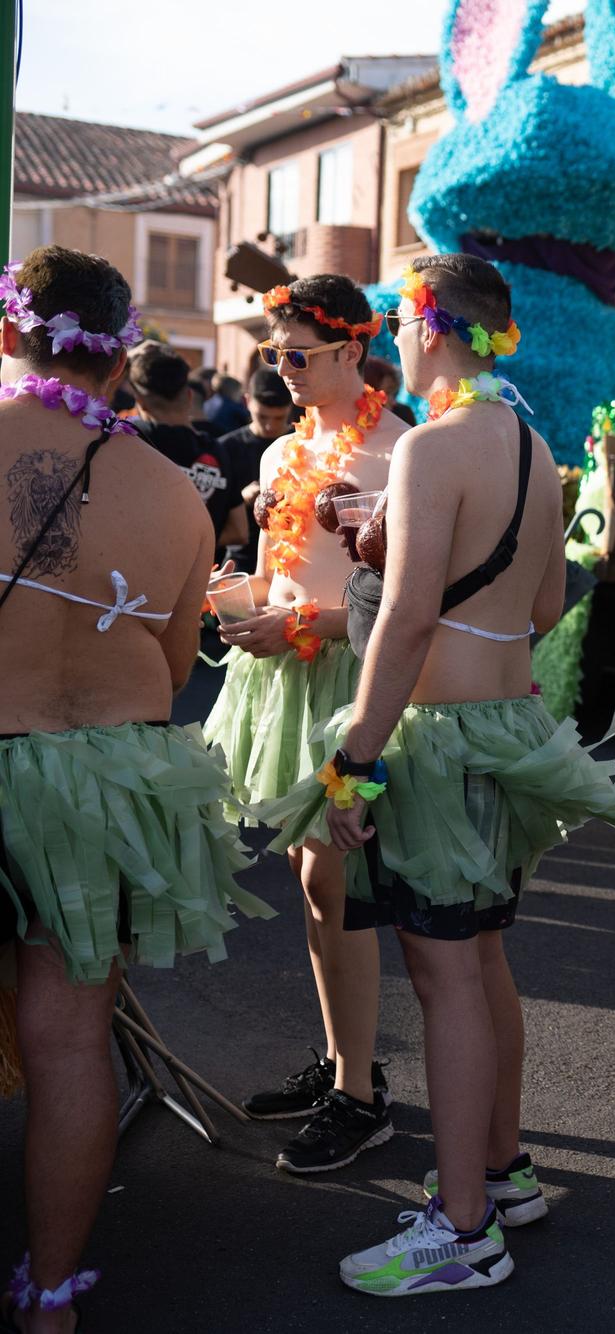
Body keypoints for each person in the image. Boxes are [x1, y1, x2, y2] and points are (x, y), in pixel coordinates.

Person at [258, 253, 615, 1296]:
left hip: (441, 740)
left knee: (444, 979)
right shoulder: (527, 443)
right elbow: (538, 607)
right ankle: (502, 1169)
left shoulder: (434, 445)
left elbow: (405, 618)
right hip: (508, 724)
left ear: (426, 326)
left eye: (394, 321)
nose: (388, 339)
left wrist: (353, 758)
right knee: (478, 963)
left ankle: (464, 1225)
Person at [0, 245, 270, 1332]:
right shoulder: (176, 492)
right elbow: (168, 674)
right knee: (70, 1040)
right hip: (106, 780)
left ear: (11, 329)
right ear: (123, 353)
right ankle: (52, 1295)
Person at [203, 275, 410, 1175]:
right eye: (272, 354)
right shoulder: (283, 456)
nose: (281, 368)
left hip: (346, 688)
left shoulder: (401, 453)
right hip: (282, 684)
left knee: (337, 884)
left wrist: (301, 624)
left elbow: (399, 606)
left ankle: (361, 1096)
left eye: (297, 354)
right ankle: (342, 1064)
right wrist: (233, 598)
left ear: (351, 350)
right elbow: (278, 575)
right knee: (312, 882)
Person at [126, 342, 247, 554]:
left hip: (137, 572)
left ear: (140, 403)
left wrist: (126, 363)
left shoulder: (131, 438)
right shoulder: (217, 450)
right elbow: (239, 531)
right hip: (199, 578)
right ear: (190, 396)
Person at [213, 368, 293, 572]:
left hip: (291, 554)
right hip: (242, 557)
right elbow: (211, 512)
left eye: (279, 418)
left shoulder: (300, 443)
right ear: (247, 402)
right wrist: (240, 498)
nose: (269, 426)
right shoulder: (226, 447)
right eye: (262, 416)